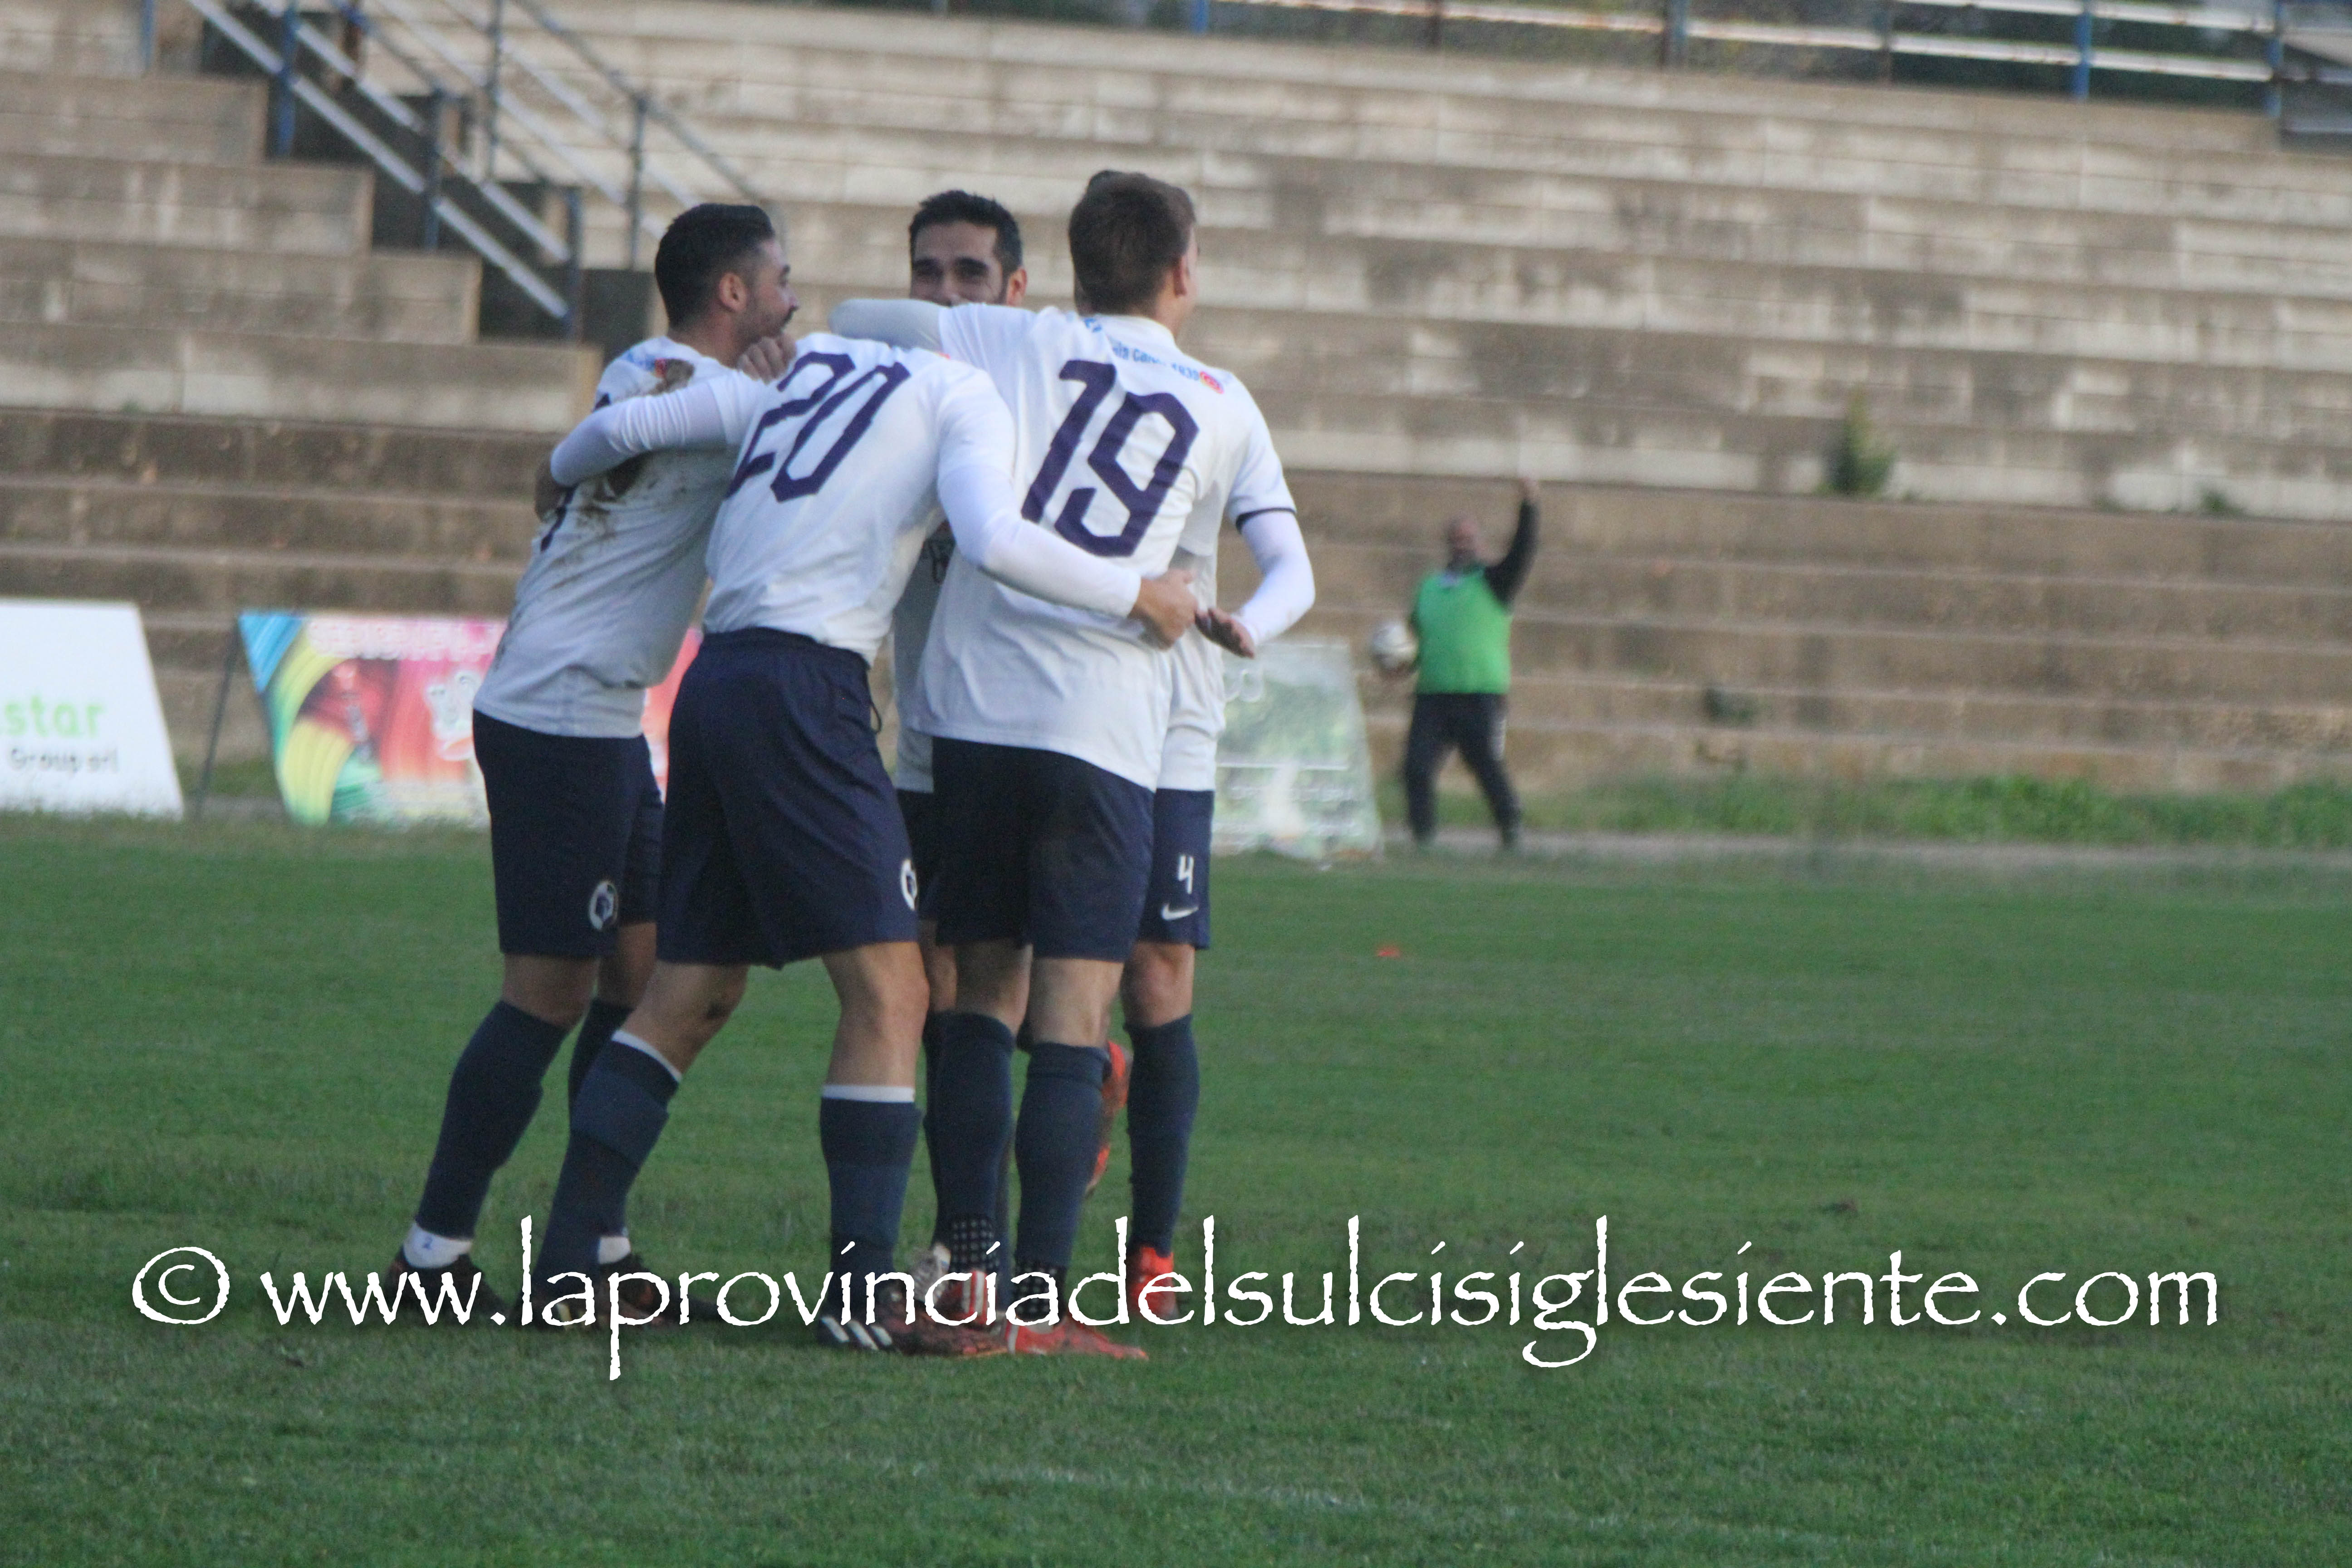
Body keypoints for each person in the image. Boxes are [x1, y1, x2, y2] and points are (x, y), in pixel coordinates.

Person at [523, 316, 1200, 1354]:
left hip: (717, 678)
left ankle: (570, 1259)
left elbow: (631, 426)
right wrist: (1139, 591)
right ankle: (859, 1292)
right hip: (806, 685)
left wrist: (557, 472)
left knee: (691, 989)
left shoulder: (820, 360)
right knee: (894, 992)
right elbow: (993, 540)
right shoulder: (963, 392)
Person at [831, 169, 1301, 1358]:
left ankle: (972, 1272)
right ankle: (1042, 1302)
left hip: (975, 719)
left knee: (979, 995)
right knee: (1077, 1015)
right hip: (1104, 728)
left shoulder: (1009, 339)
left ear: (1074, 273)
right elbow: (1290, 570)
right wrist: (1247, 628)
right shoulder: (1223, 399)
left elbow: (857, 318)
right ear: (1184, 273)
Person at [387, 204, 795, 1312]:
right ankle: (430, 1256)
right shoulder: (700, 391)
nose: (792, 299)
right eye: (779, 280)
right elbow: (622, 439)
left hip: (604, 720)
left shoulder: (651, 370)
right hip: (557, 713)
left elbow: (634, 431)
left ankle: (592, 1247)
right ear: (732, 294)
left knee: (644, 973)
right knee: (549, 989)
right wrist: (558, 460)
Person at [887, 191, 1030, 1267]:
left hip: (1012, 745)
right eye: (927, 271)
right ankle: (961, 1238)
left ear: (1015, 291)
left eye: (970, 273)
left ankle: (967, 1245)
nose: (945, 292)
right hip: (915, 752)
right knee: (917, 988)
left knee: (980, 980)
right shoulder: (885, 399)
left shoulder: (1037, 412)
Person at [1401, 479, 1539, 852]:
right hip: (1433, 694)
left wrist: (1529, 505)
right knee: (1416, 767)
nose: (1462, 544)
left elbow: (1522, 551)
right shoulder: (1429, 587)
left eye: (1469, 538)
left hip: (1480, 693)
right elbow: (1415, 640)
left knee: (1485, 764)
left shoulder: (1493, 582)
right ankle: (1423, 836)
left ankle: (1511, 825)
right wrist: (1401, 665)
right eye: (1456, 538)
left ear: (1479, 543)